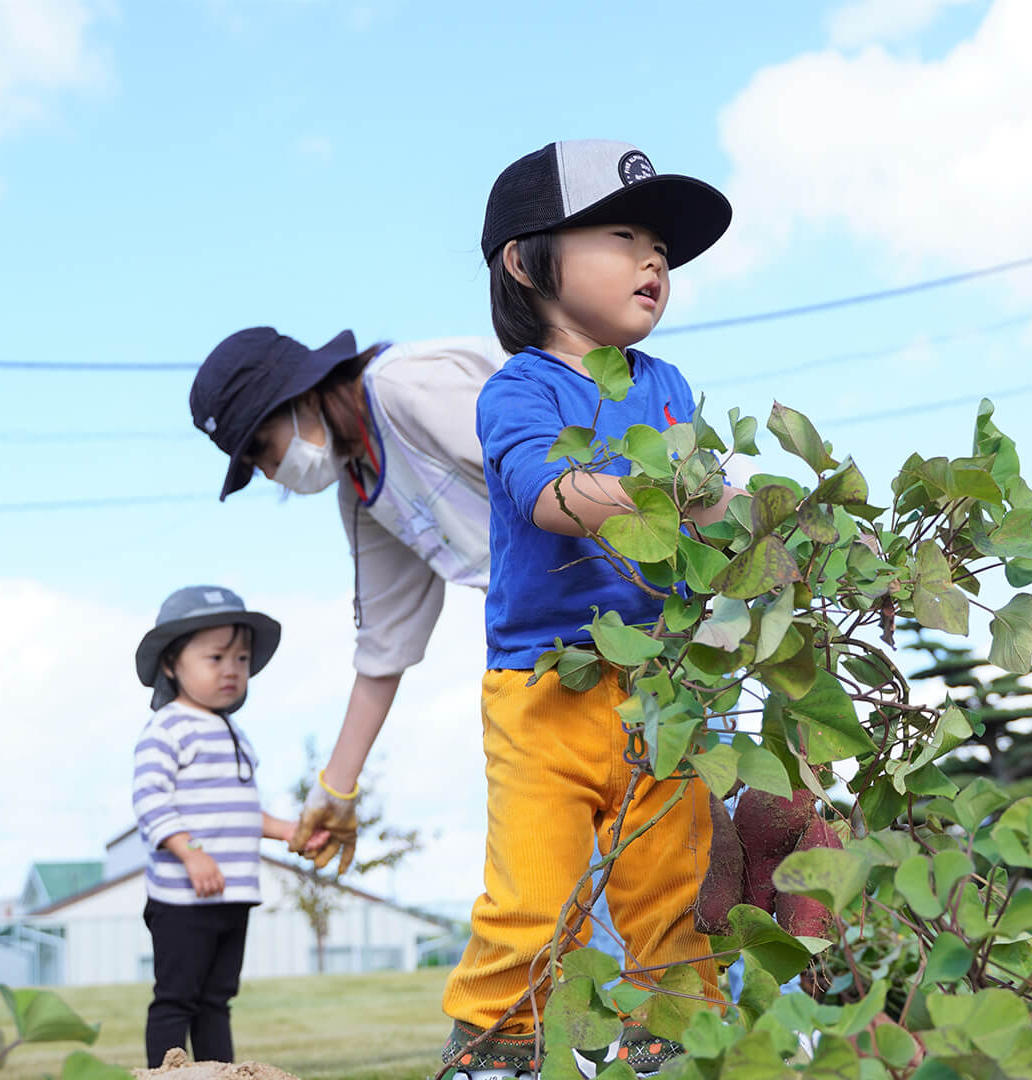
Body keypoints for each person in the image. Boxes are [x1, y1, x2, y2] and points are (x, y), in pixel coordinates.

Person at [440, 139, 738, 1080]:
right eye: (622, 234)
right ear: (527, 260)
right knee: (535, 897)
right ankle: (497, 1046)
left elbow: (712, 509)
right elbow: (548, 495)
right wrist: (671, 499)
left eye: (662, 247)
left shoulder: (666, 387)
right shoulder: (520, 388)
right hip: (546, 689)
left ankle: (678, 1049)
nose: (654, 260)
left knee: (672, 893)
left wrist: (759, 535)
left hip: (665, 686)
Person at [189, 329, 505, 870]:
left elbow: (570, 465)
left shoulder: (406, 387)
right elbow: (385, 645)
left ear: (301, 395)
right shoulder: (362, 488)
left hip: (643, 580)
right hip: (557, 637)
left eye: (261, 448)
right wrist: (335, 792)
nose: (268, 473)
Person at [131, 586, 297, 1066]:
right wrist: (190, 852)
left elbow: (239, 810)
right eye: (216, 657)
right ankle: (166, 1076)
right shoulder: (168, 728)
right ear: (170, 665)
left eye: (242, 658)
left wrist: (286, 830)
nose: (232, 669)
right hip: (184, 898)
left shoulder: (233, 731)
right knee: (176, 999)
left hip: (234, 893)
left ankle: (219, 1075)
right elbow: (150, 800)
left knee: (216, 1002)